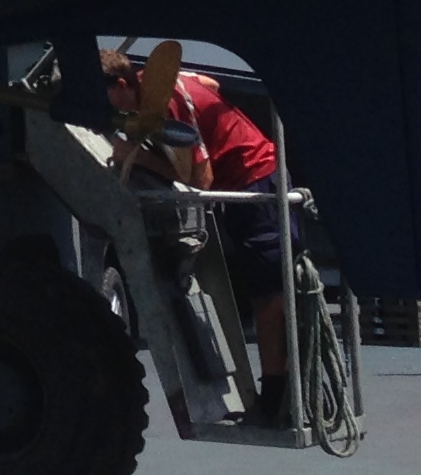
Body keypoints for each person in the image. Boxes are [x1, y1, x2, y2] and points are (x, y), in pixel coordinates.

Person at [102, 46, 296, 423]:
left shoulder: (167, 103)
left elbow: (202, 181)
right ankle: (283, 392)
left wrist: (138, 157)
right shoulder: (153, 83)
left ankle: (277, 400)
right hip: (249, 182)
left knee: (270, 294)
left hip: (256, 182)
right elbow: (210, 82)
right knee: (266, 291)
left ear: (123, 86)